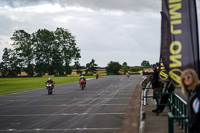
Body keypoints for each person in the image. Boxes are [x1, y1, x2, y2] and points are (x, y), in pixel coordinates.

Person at [181, 69, 200, 133]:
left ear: (194, 77)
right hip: (193, 127)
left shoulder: (198, 90)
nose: (186, 79)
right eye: (184, 78)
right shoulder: (190, 92)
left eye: (188, 77)